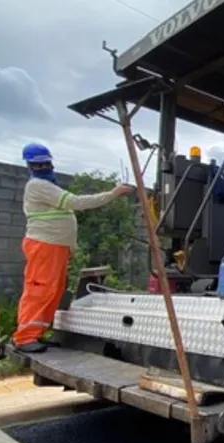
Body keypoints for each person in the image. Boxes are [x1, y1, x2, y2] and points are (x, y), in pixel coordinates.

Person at [11, 143, 134, 353]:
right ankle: (25, 338)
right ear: (30, 166)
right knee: (39, 290)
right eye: (38, 164)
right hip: (45, 246)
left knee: (52, 291)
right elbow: (76, 202)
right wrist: (113, 194)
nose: (44, 167)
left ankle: (36, 333)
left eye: (46, 163)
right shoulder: (38, 186)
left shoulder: (47, 186)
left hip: (54, 247)